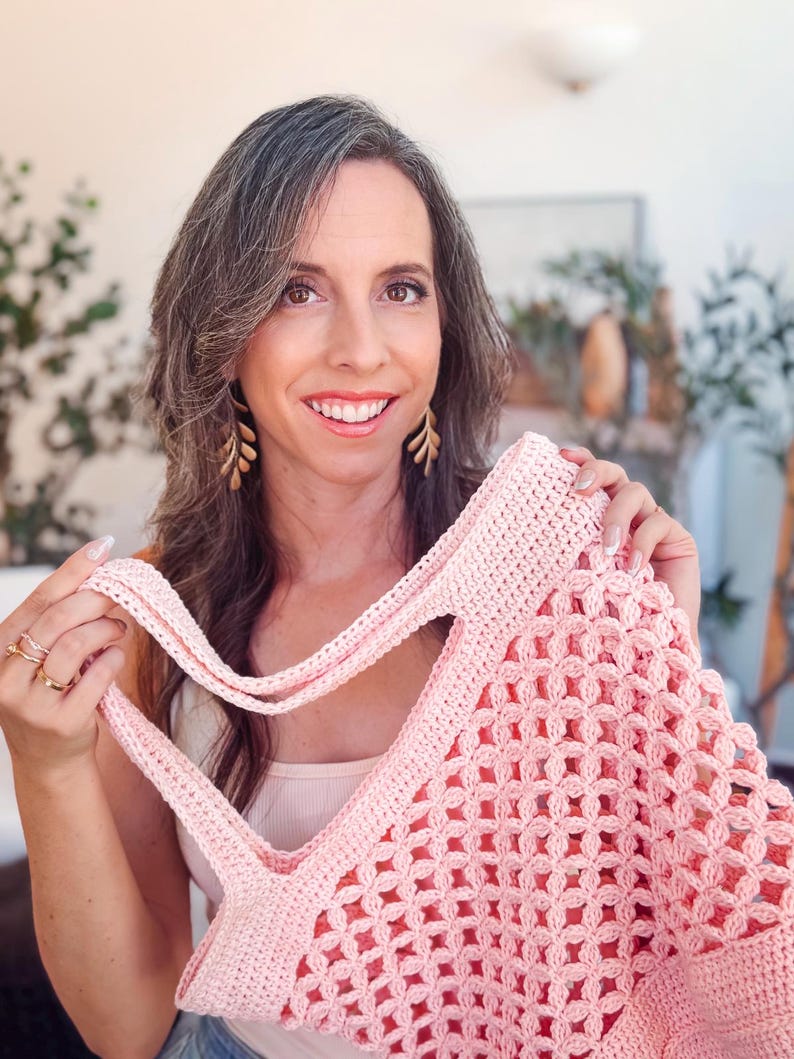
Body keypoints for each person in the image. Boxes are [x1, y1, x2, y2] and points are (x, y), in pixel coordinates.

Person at [0, 96, 783, 1059]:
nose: (362, 350)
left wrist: (661, 652)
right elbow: (131, 1028)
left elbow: (670, 940)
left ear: (446, 323)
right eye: (299, 289)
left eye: (402, 289)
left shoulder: (539, 576)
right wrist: (45, 766)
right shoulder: (162, 629)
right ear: (224, 331)